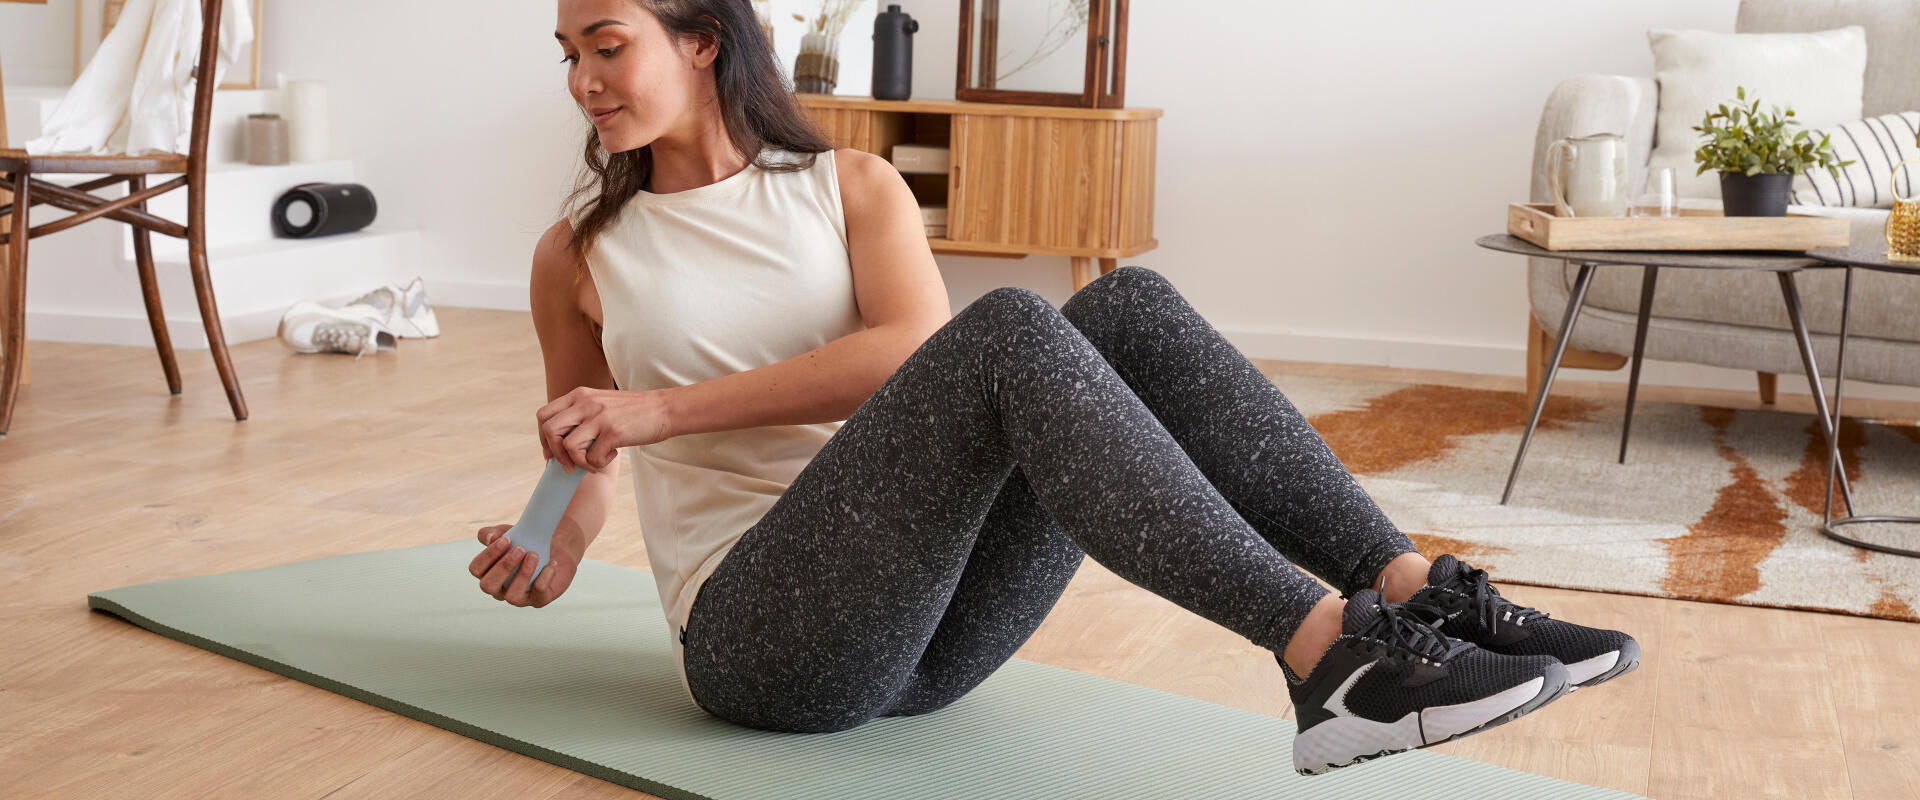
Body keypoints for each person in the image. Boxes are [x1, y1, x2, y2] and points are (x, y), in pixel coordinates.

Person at [468, 0, 1640, 776]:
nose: (582, 77)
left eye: (606, 44)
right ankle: (1331, 654)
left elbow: (907, 353)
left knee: (1120, 306)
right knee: (1013, 330)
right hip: (763, 642)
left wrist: (661, 406)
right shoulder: (577, 252)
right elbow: (588, 453)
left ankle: (1419, 591)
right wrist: (559, 543)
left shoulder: (848, 188)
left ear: (702, 39)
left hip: (934, 633)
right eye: (567, 54)